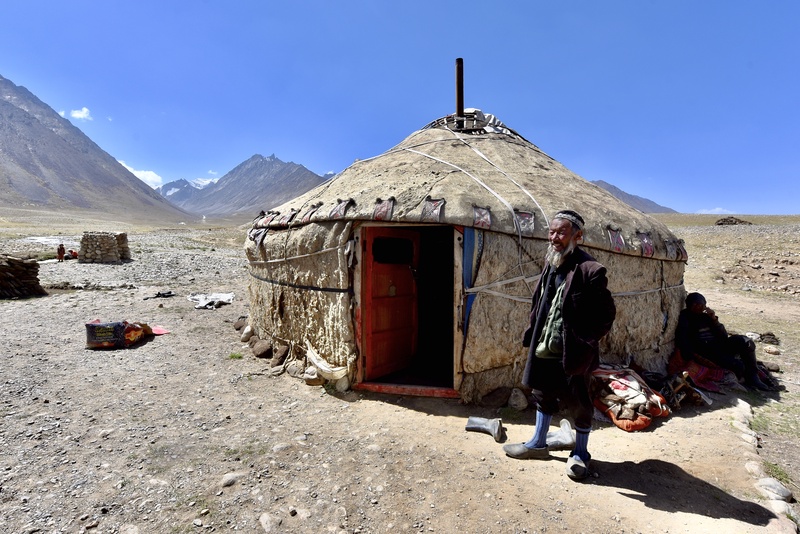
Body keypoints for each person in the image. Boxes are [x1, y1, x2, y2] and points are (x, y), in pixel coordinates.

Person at [503, 210, 616, 481]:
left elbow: (606, 315)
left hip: (573, 350)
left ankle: (580, 454)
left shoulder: (591, 270)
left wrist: (587, 342)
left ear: (577, 235)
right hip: (545, 346)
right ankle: (537, 444)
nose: (555, 237)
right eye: (551, 232)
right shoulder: (551, 263)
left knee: (579, 402)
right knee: (542, 393)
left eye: (561, 232)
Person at [675, 292, 771, 391]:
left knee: (746, 342)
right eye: (694, 304)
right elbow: (683, 341)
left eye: (700, 305)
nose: (697, 307)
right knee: (738, 365)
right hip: (707, 352)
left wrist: (714, 320)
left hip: (720, 346)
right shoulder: (685, 318)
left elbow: (723, 336)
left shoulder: (706, 317)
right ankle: (747, 377)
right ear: (688, 304)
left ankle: (753, 376)